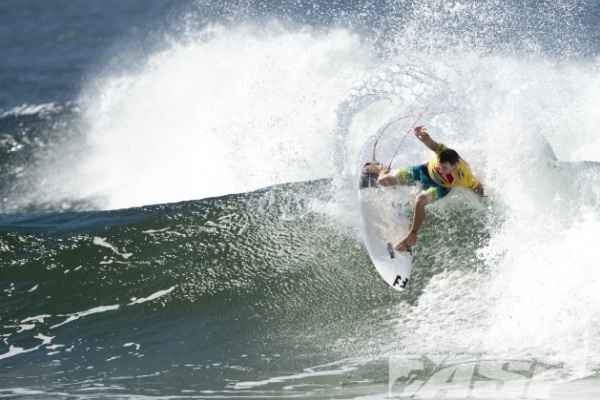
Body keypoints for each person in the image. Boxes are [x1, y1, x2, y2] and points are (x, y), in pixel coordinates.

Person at [369, 125, 484, 252]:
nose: (440, 170)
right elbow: (432, 144)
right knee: (382, 181)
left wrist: (483, 200)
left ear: (455, 165)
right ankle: (383, 171)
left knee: (420, 200)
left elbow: (478, 187)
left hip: (440, 187)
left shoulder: (463, 176)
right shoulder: (443, 151)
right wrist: (422, 137)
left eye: (444, 168)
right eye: (439, 166)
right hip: (422, 172)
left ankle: (412, 234)